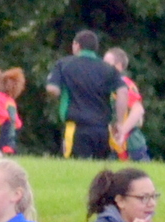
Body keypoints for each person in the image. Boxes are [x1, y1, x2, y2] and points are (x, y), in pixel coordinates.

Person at [45, 30, 129, 160]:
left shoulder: (64, 64)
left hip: (77, 128)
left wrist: (60, 91)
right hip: (102, 131)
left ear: (76, 45)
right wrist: (119, 122)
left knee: (75, 168)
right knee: (99, 170)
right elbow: (123, 92)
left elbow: (52, 89)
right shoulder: (108, 69)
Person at [103, 48, 149, 161]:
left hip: (131, 144)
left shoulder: (124, 84)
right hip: (112, 144)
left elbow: (138, 110)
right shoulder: (106, 86)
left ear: (118, 66)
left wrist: (122, 131)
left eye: (107, 63)